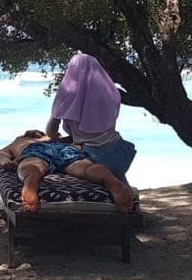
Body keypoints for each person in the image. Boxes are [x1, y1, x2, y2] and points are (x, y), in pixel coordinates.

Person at [0, 131, 135, 214]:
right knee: (84, 167)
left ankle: (30, 180)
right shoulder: (54, 138)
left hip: (37, 152)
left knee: (32, 166)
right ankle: (109, 179)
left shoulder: (21, 141)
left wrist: (6, 162)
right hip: (65, 149)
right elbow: (80, 140)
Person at [45, 52, 136, 183]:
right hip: (119, 153)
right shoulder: (111, 93)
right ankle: (128, 197)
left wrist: (59, 137)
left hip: (91, 158)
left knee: (49, 157)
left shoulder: (67, 95)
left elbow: (50, 132)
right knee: (116, 178)